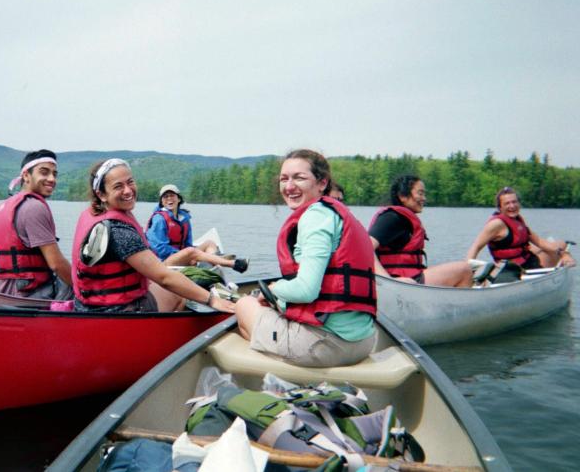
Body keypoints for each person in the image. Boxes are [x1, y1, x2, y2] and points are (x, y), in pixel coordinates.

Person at [234, 149, 377, 368]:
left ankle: (283, 372)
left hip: (326, 346)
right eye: (284, 179)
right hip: (364, 342)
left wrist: (274, 289)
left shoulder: (315, 216)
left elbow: (306, 291)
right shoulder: (337, 213)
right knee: (268, 310)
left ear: (322, 183)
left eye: (299, 177)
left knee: (244, 305)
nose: (289, 186)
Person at [70, 158, 236, 313]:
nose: (128, 190)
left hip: (86, 305)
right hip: (116, 311)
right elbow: (164, 278)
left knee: (174, 286)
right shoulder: (118, 230)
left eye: (130, 182)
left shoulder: (92, 214)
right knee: (180, 293)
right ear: (101, 194)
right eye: (118, 186)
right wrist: (212, 300)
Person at [0, 149, 73, 299]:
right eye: (44, 172)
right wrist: (86, 288)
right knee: (78, 282)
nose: (52, 179)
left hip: (3, 293)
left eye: (54, 174)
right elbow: (56, 264)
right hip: (26, 296)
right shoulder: (34, 208)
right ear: (26, 175)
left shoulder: (5, 206)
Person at [368, 175, 472, 287]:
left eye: (424, 194)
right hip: (398, 282)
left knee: (465, 269)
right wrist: (386, 280)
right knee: (464, 270)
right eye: (420, 193)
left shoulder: (401, 218)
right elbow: (366, 246)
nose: (424, 198)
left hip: (408, 278)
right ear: (403, 196)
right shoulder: (392, 218)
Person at [145, 184, 249, 272]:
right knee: (191, 251)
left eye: (172, 195)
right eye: (165, 197)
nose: (169, 199)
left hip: (183, 257)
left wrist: (188, 256)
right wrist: (185, 255)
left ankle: (215, 261)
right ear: (162, 202)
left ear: (179, 198)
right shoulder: (159, 219)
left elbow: (187, 244)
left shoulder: (184, 218)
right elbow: (159, 248)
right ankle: (232, 264)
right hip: (164, 262)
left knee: (210, 243)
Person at [466, 186, 575, 269]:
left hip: (528, 261)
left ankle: (563, 258)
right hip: (512, 269)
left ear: (519, 203)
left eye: (514, 202)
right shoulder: (496, 224)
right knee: (558, 247)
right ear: (500, 207)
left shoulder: (517, 220)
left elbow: (539, 241)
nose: (512, 206)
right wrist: (469, 269)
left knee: (561, 244)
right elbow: (475, 246)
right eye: (507, 203)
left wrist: (564, 254)